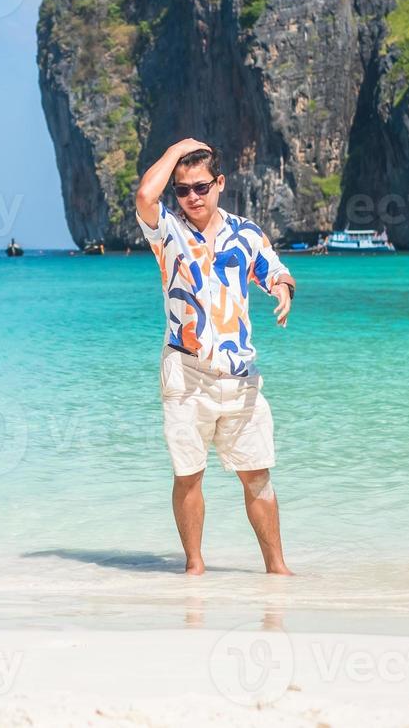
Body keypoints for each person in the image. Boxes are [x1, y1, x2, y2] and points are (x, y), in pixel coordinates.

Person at [134, 139, 296, 577]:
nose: (193, 197)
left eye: (201, 187)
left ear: (220, 183)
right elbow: (146, 196)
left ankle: (277, 570)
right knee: (189, 474)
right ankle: (194, 568)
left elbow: (275, 270)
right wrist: (177, 149)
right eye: (184, 189)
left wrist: (282, 290)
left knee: (257, 475)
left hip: (241, 378)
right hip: (186, 374)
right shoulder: (168, 231)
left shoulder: (245, 232)